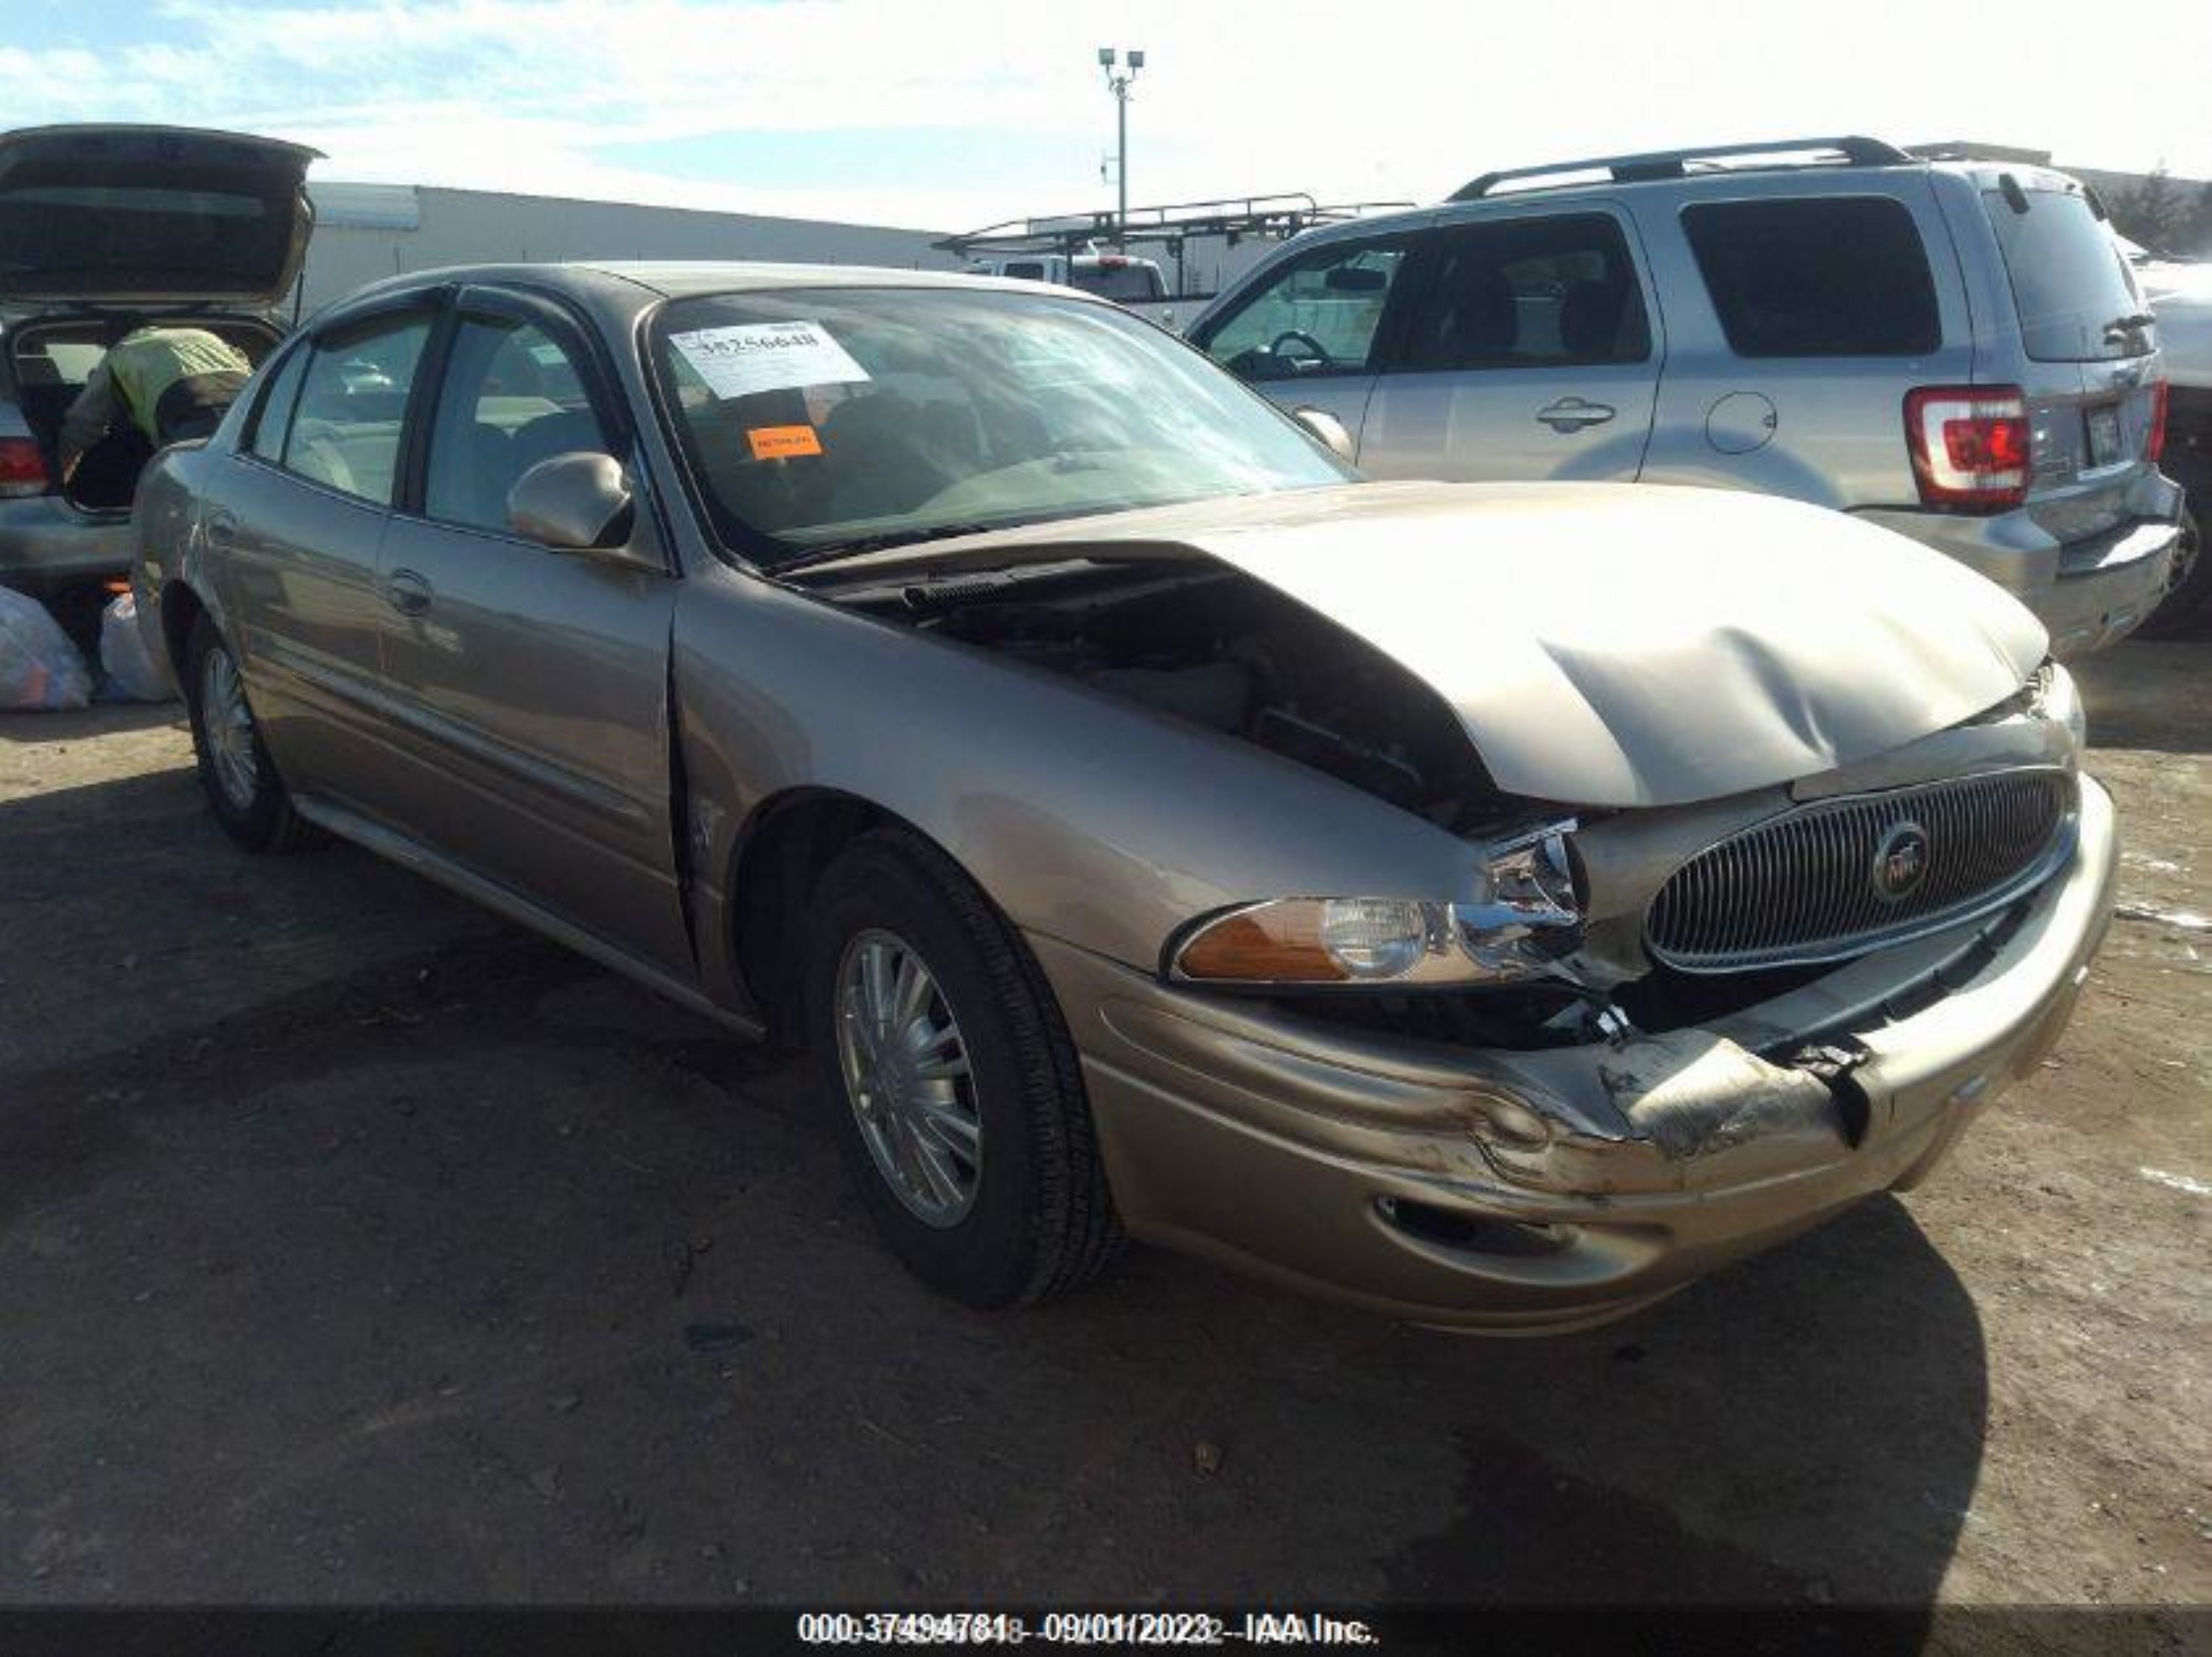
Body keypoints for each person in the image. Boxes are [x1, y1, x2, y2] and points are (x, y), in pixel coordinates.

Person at [57, 325, 255, 484]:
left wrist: (60, 482)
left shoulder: (121, 352)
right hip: (250, 408)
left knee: (195, 494)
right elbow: (250, 369)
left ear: (113, 340)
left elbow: (83, 422)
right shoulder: (205, 336)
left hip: (192, 413)